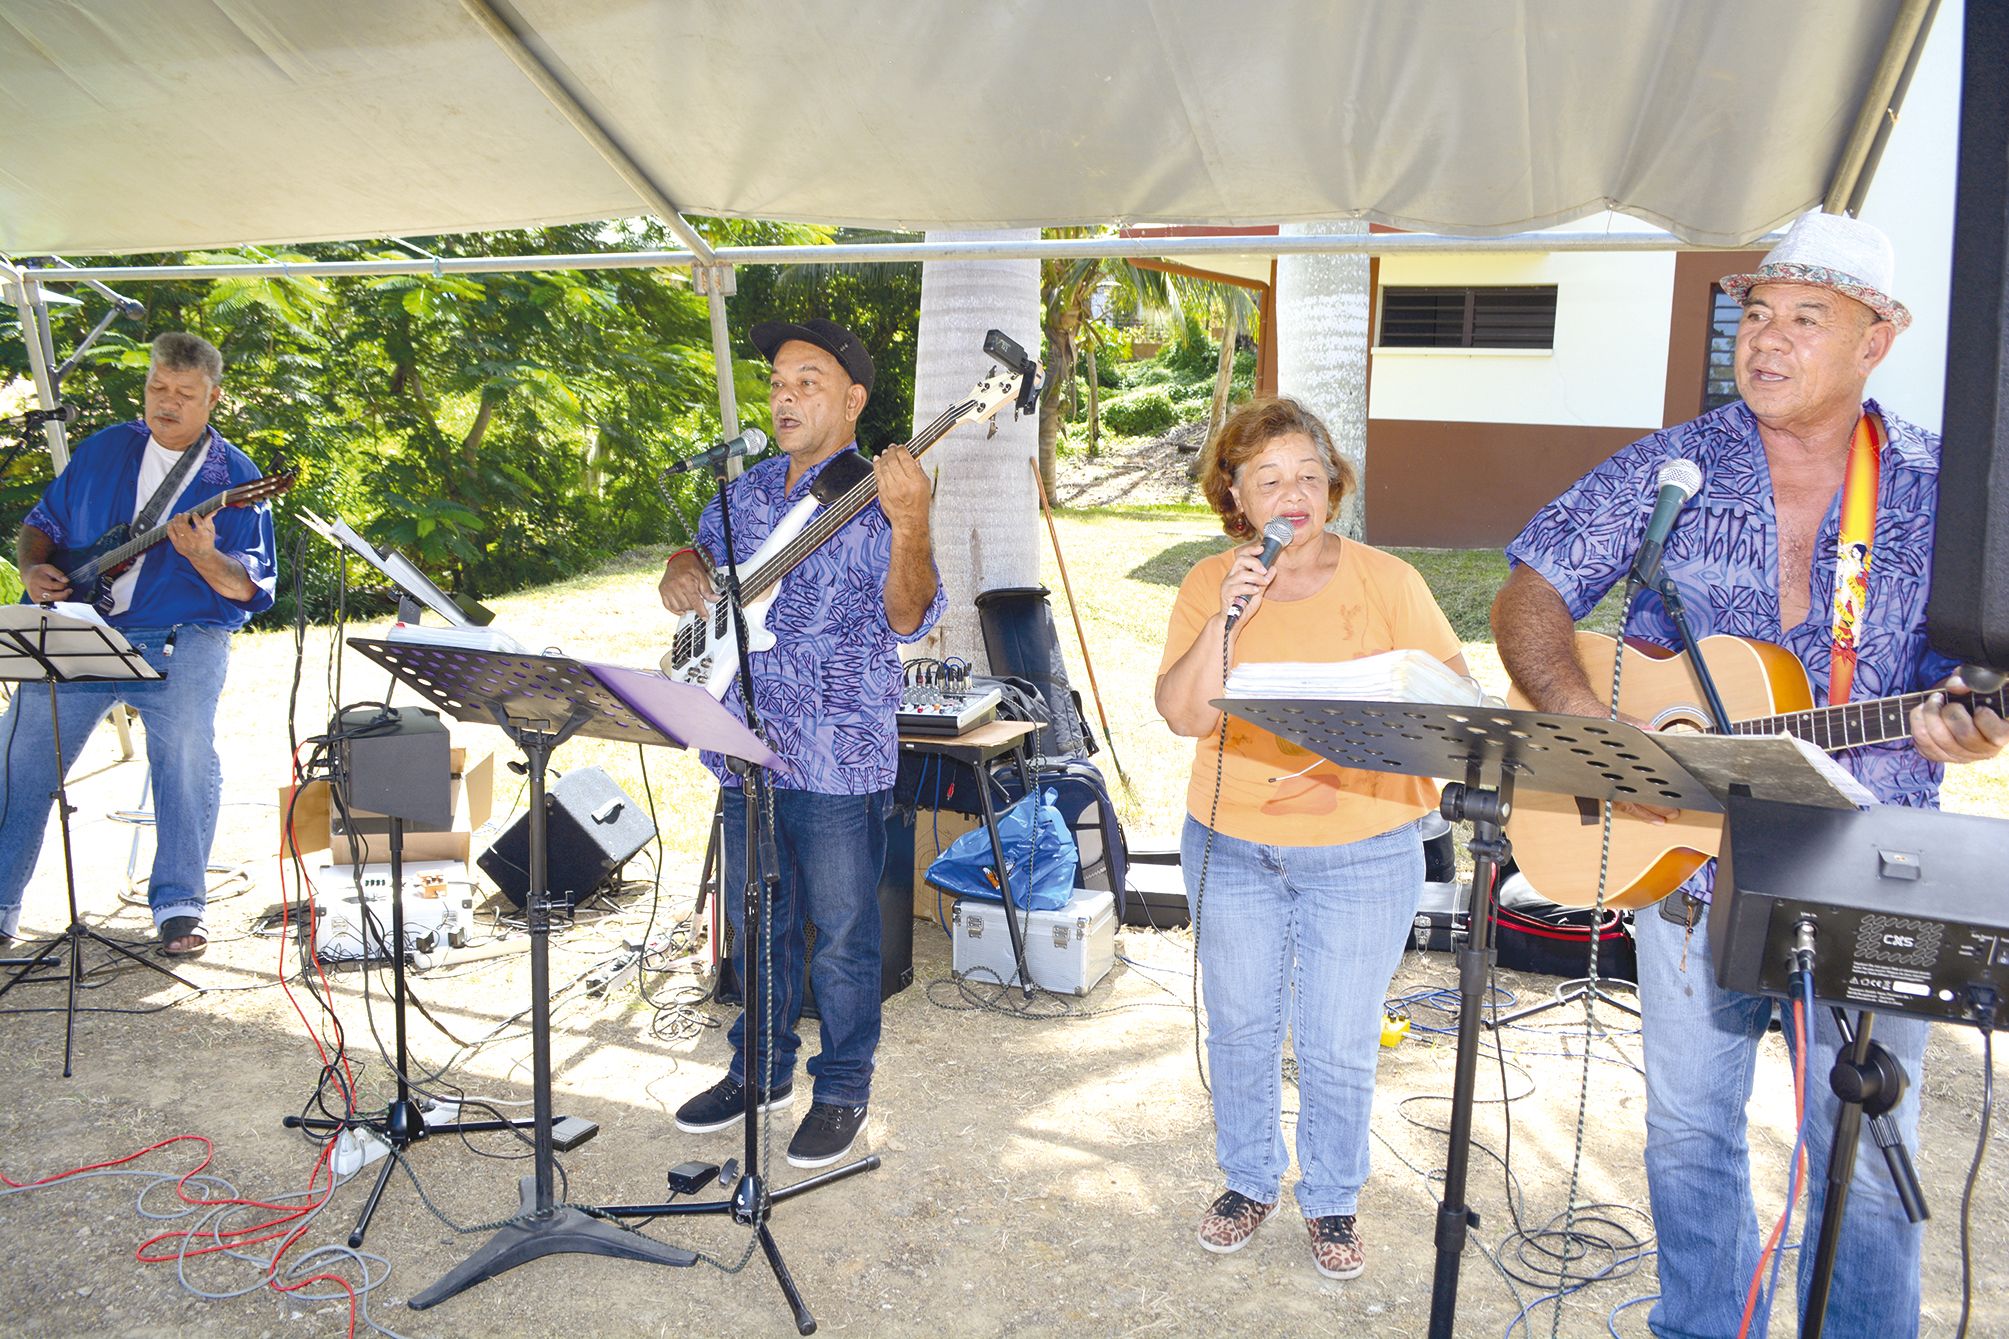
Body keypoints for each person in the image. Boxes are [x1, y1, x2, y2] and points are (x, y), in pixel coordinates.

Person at [1492, 211, 2006, 1338]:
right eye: (1754, 314)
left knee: (1864, 1151)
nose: (1763, 339)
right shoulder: (1668, 467)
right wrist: (1594, 730)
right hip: (1681, 865)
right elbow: (1529, 590)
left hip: (1869, 866)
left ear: (1877, 338)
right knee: (1684, 1130)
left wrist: (1971, 721)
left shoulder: (1935, 486)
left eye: (1803, 318)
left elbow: (1972, 670)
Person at [1156, 395, 1468, 1280]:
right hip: (1230, 842)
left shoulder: (1388, 581)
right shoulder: (1209, 584)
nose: (1293, 492)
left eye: (1307, 472)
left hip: (1363, 849)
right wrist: (1230, 616)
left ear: (1331, 480)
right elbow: (1182, 716)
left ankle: (1330, 1197)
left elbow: (1458, 704)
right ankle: (1249, 1178)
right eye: (1268, 479)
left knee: (1336, 1039)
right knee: (1243, 1026)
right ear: (1236, 497)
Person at [658, 317, 943, 1168]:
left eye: (806, 381)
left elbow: (908, 614)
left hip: (837, 749)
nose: (784, 396)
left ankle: (844, 1086)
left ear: (853, 400)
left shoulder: (881, 495)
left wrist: (913, 523)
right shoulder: (741, 493)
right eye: (778, 382)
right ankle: (760, 1071)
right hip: (741, 738)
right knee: (757, 922)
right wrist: (678, 562)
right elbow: (698, 554)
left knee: (847, 932)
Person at [4, 331, 278, 956]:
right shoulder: (105, 448)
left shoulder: (234, 478)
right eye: (158, 387)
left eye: (185, 393)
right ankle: (0, 904)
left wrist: (206, 556)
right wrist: (32, 570)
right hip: (77, 627)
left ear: (213, 399)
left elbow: (249, 588)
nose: (167, 402)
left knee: (182, 754)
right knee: (21, 754)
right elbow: (40, 527)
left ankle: (180, 905)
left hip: (181, 637)